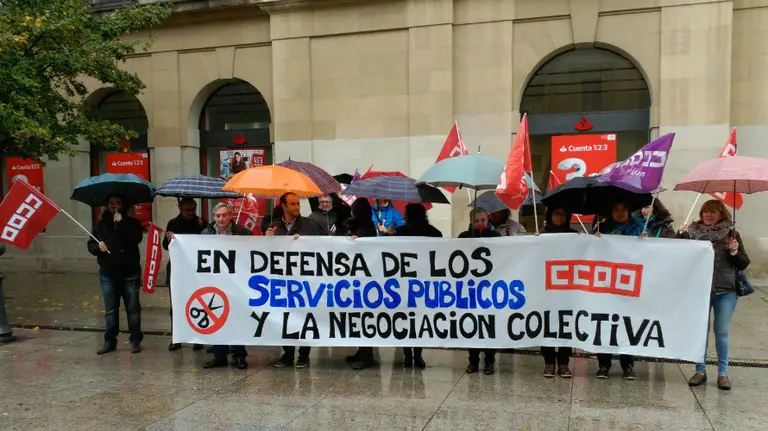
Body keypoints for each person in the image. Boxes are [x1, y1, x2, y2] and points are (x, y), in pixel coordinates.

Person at [681, 199, 749, 390]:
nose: (708, 215)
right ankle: (700, 371)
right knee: (701, 332)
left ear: (721, 214)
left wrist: (734, 252)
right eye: (705, 212)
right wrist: (680, 236)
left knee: (722, 332)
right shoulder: (692, 233)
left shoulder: (732, 234)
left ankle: (723, 374)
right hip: (700, 290)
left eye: (713, 212)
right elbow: (680, 256)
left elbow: (744, 263)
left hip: (725, 290)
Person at [266, 192, 322, 368]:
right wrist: (266, 239)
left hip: (303, 279)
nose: (297, 207)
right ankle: (287, 354)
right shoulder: (273, 226)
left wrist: (306, 242)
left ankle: (304, 355)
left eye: (298, 204)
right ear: (283, 206)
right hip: (282, 279)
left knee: (304, 315)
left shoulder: (310, 225)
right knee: (285, 316)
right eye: (292, 204)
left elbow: (325, 245)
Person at [87, 195, 144, 355]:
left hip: (129, 273)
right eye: (112, 203)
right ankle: (110, 340)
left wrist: (123, 222)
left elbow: (136, 238)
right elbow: (90, 244)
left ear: (123, 205)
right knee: (111, 310)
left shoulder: (132, 223)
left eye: (118, 203)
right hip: (108, 273)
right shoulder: (100, 224)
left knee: (133, 309)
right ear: (107, 205)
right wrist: (98, 248)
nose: (114, 206)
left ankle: (135, 339)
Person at [593, 201, 644, 380]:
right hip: (607, 283)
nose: (620, 213)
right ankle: (604, 363)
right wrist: (596, 239)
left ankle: (627, 362)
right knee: (604, 322)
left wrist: (646, 240)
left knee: (627, 323)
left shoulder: (639, 227)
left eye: (624, 209)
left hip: (629, 283)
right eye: (616, 209)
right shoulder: (602, 226)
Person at [201, 202, 252, 370]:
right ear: (213, 217)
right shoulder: (205, 233)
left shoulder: (243, 233)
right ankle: (219, 356)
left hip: (237, 284)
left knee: (236, 318)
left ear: (231, 216)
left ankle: (240, 355)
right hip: (215, 283)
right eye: (217, 216)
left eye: (224, 215)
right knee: (216, 318)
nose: (221, 219)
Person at [394, 204, 442, 368]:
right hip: (424, 283)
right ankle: (418, 356)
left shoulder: (400, 232)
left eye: (406, 213)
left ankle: (407, 356)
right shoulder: (434, 233)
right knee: (419, 319)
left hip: (403, 283)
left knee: (404, 319)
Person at [458, 208, 500, 375]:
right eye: (476, 221)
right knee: (472, 324)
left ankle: (489, 361)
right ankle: (473, 361)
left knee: (489, 325)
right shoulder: (464, 237)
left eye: (483, 220)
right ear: (471, 222)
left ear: (487, 219)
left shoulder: (496, 237)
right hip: (471, 289)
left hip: (490, 288)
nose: (480, 223)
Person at [164, 198, 207, 351]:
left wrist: (203, 228)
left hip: (195, 269)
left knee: (198, 302)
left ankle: (198, 337)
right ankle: (177, 337)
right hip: (177, 269)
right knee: (176, 305)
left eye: (193, 209)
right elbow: (165, 245)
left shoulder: (201, 222)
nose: (191, 213)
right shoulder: (173, 223)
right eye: (188, 210)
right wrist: (169, 238)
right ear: (181, 208)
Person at [538, 207, 577, 378]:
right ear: (550, 215)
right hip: (547, 288)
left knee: (565, 325)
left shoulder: (574, 235)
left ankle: (563, 362)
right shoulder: (543, 235)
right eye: (556, 213)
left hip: (567, 289)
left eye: (563, 213)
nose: (559, 217)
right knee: (547, 324)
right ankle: (548, 361)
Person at [342, 199, 380, 370]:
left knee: (365, 317)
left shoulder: (365, 229)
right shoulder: (363, 225)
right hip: (359, 280)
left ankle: (367, 355)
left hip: (365, 282)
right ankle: (361, 351)